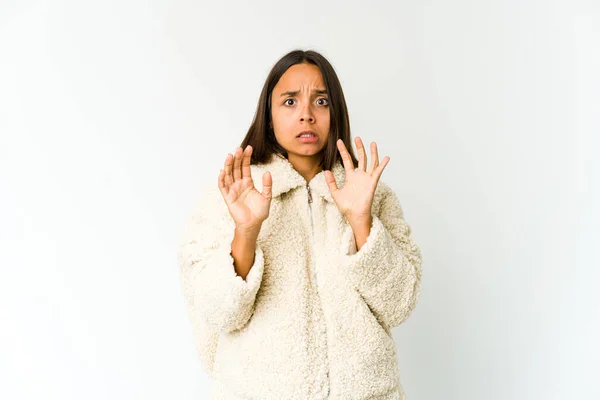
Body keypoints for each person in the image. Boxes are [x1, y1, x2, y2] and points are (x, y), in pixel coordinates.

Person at [178, 49, 423, 400]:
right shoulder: (229, 197)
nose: (306, 115)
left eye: (321, 101)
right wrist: (246, 232)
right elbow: (216, 314)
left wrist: (361, 222)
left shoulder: (372, 195)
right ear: (269, 116)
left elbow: (400, 303)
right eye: (290, 101)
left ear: (335, 111)